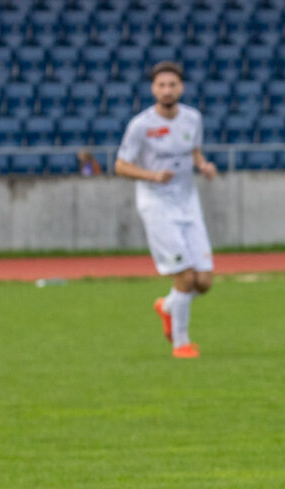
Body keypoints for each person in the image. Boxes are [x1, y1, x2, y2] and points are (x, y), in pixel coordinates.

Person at [113, 61, 218, 359]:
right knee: (184, 276)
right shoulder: (141, 125)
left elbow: (194, 151)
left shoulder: (192, 118)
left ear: (181, 87)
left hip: (188, 202)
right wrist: (152, 176)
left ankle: (168, 306)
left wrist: (203, 166)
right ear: (153, 89)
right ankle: (181, 343)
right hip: (157, 204)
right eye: (162, 85)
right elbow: (120, 165)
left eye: (172, 84)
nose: (167, 90)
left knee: (204, 281)